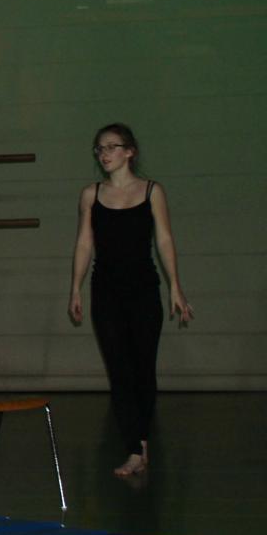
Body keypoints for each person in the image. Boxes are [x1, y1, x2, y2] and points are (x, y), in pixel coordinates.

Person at [68, 123, 193, 477]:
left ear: (129, 151)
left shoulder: (152, 191)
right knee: (119, 369)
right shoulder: (91, 195)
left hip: (143, 289)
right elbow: (84, 243)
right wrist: (75, 287)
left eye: (111, 147)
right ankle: (135, 449)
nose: (104, 154)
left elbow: (164, 239)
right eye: (99, 148)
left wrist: (175, 285)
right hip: (106, 290)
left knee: (142, 369)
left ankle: (142, 438)